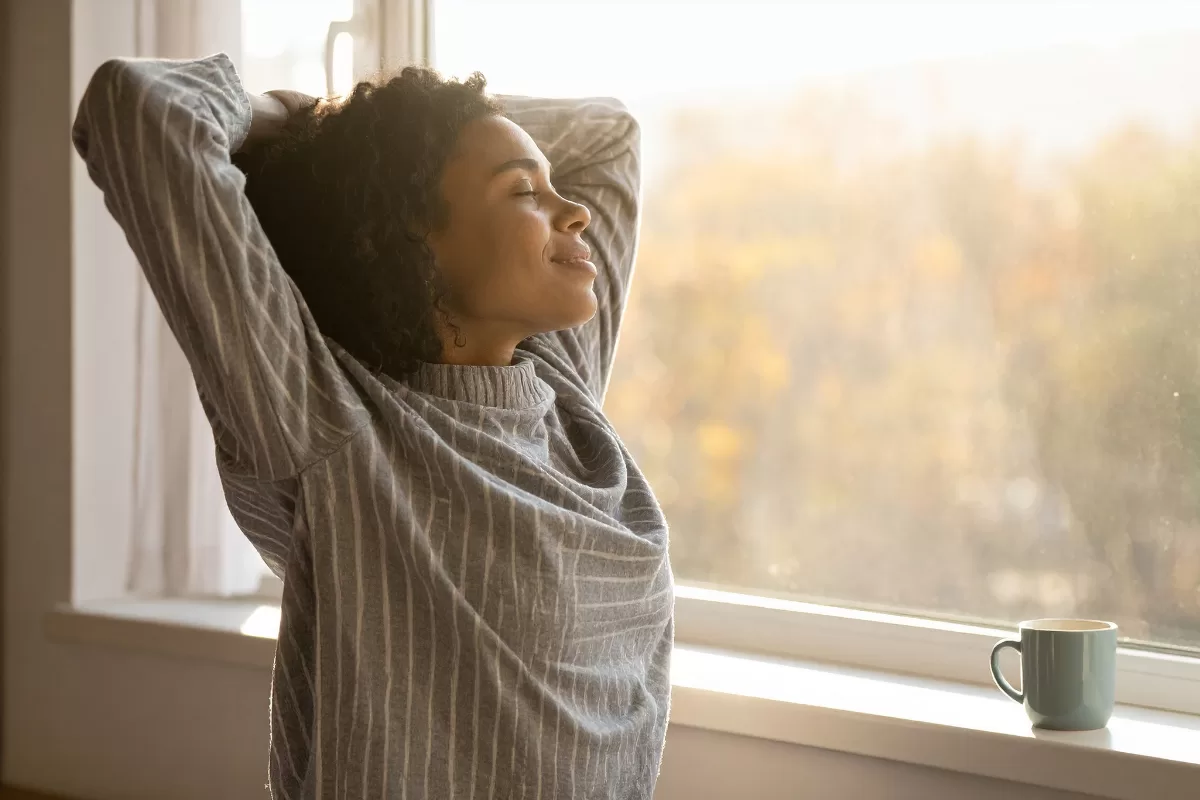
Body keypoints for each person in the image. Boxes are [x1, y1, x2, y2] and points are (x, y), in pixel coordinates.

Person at [72, 53, 672, 799]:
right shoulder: (335, 426)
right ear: (412, 238)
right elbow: (141, 108)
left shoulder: (560, 386)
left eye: (553, 186)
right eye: (524, 190)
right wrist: (332, 143)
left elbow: (608, 137)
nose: (573, 209)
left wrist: (368, 131)